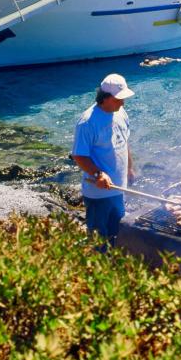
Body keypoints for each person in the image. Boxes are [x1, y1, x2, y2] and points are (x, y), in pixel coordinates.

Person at [71, 73, 136, 245]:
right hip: (99, 193)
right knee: (99, 237)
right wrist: (98, 174)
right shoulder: (87, 122)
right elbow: (79, 155)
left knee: (118, 231)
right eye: (118, 99)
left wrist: (130, 168)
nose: (122, 103)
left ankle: (112, 265)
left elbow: (124, 142)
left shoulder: (121, 112)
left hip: (119, 187)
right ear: (104, 98)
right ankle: (97, 268)